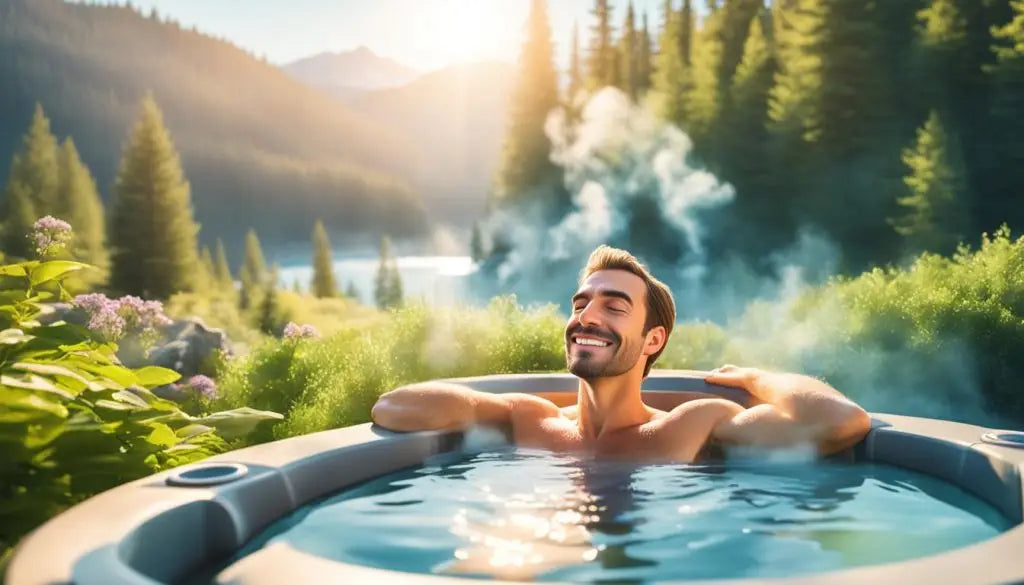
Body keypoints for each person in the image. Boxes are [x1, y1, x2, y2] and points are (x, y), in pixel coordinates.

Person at [371, 245, 872, 463]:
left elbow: (842, 423)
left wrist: (756, 378)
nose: (588, 317)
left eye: (615, 307)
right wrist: (511, 400)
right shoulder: (528, 420)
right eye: (581, 303)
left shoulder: (691, 425)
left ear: (653, 341)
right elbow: (393, 407)